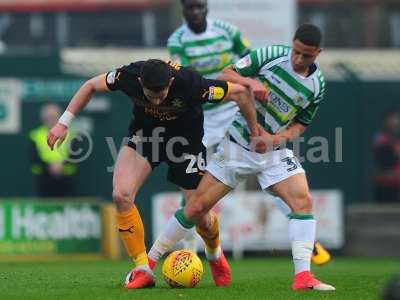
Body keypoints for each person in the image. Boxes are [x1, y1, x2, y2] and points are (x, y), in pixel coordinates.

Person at [148, 24, 335, 291]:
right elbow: (227, 74)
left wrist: (275, 139)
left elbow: (301, 124)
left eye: (306, 55)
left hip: (273, 152)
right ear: (291, 44)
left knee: (303, 203)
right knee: (196, 208)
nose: (297, 59)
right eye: (296, 51)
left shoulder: (317, 85)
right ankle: (148, 265)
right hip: (236, 146)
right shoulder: (271, 54)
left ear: (318, 53)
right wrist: (250, 82)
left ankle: (303, 277)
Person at [47, 59, 259, 289]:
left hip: (185, 144)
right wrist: (63, 123)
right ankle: (142, 269)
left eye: (162, 93)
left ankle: (215, 255)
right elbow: (89, 85)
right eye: (151, 94)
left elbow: (239, 93)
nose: (157, 100)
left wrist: (255, 131)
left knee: (200, 215)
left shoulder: (192, 83)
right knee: (121, 195)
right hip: (146, 138)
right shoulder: (127, 76)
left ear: (170, 81)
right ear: (140, 82)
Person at [168, 0, 251, 252]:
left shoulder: (228, 31)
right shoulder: (177, 40)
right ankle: (190, 250)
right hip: (201, 118)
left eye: (199, 6)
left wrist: (242, 80)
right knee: (192, 185)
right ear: (183, 10)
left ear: (207, 7)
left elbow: (250, 58)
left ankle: (305, 239)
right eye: (190, 8)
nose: (195, 12)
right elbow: (186, 78)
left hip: (233, 112)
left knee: (264, 165)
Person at [29, 103, 77, 197]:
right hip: (43, 179)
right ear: (43, 119)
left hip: (67, 178)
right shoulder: (35, 135)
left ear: (60, 117)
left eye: (54, 117)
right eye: (48, 117)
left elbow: (75, 155)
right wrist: (49, 167)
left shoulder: (72, 134)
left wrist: (62, 165)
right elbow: (34, 157)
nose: (51, 120)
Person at [373, 109, 400, 203]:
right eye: (393, 118)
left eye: (396, 118)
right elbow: (386, 166)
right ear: (386, 120)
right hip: (386, 188)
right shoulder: (381, 139)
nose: (396, 121)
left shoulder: (395, 138)